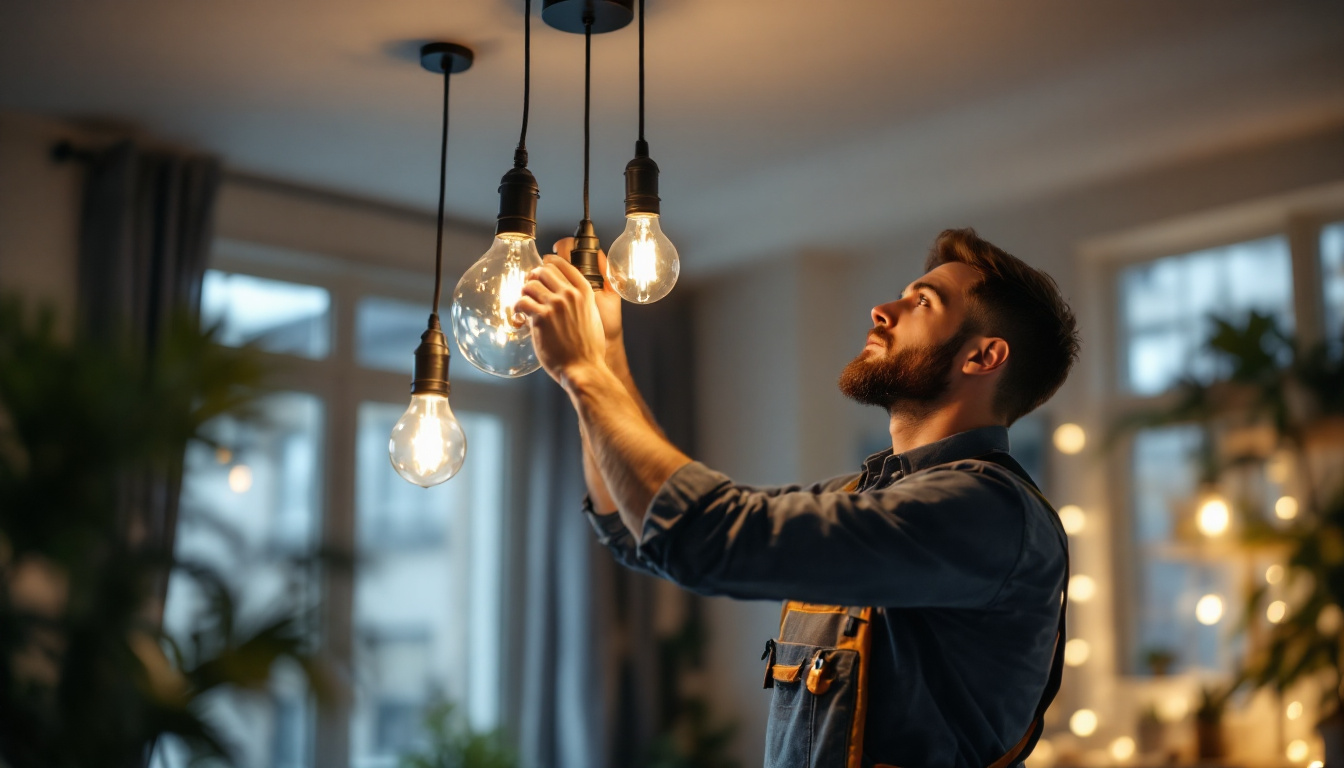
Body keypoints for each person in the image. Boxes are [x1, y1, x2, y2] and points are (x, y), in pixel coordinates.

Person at [514, 228, 1079, 768]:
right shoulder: (862, 495)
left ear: (982, 357)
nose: (884, 311)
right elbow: (638, 529)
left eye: (923, 302)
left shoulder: (987, 513)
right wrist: (608, 353)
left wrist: (586, 372)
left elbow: (703, 535)